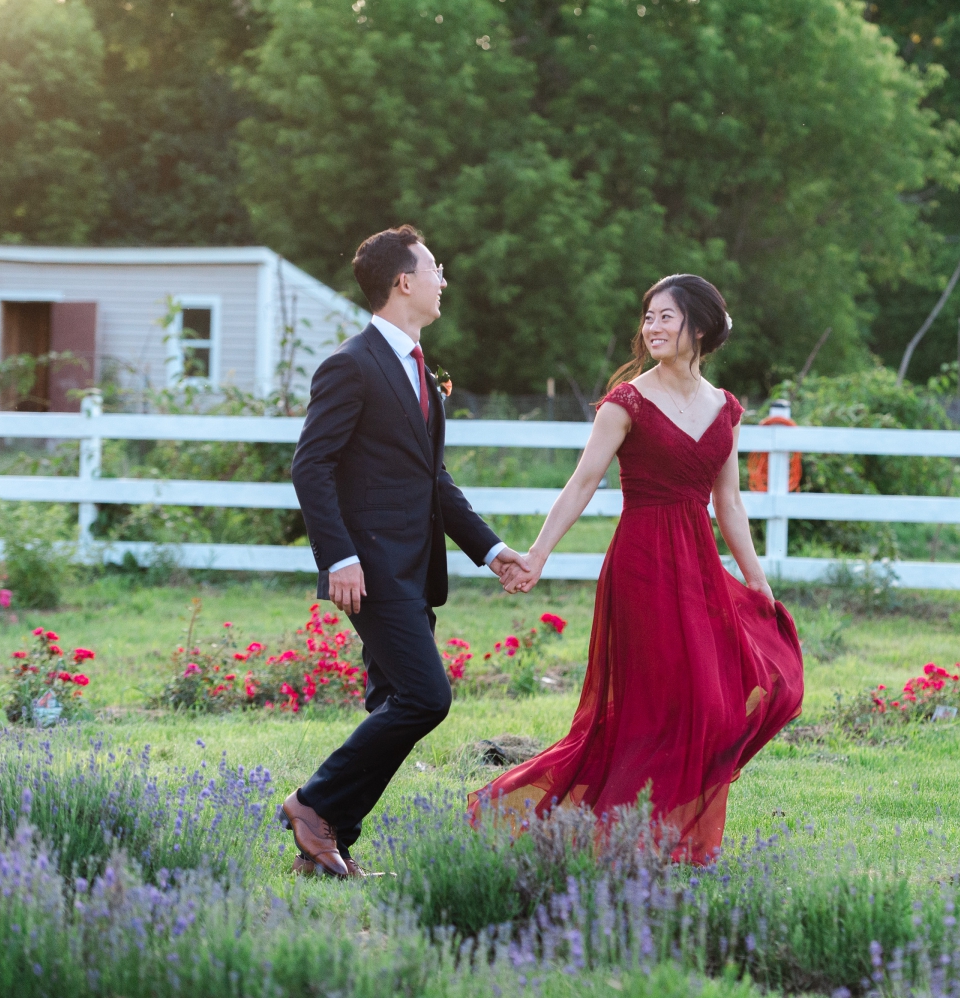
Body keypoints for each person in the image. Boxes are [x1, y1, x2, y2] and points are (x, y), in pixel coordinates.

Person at [477, 274, 804, 863]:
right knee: (647, 704)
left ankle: (657, 829)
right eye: (648, 317)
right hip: (642, 564)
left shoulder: (725, 410)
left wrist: (756, 579)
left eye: (666, 317)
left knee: (709, 701)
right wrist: (537, 555)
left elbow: (729, 502)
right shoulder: (624, 403)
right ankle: (599, 829)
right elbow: (582, 484)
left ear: (698, 327)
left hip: (698, 565)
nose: (651, 327)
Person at [283, 225, 530, 877]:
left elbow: (433, 482)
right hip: (369, 570)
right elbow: (311, 466)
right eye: (435, 268)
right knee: (426, 698)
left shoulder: (419, 370)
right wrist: (337, 557)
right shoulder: (351, 365)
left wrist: (492, 549)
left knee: (392, 704)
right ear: (404, 282)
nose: (443, 278)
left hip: (415, 571)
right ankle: (312, 805)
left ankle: (328, 844)